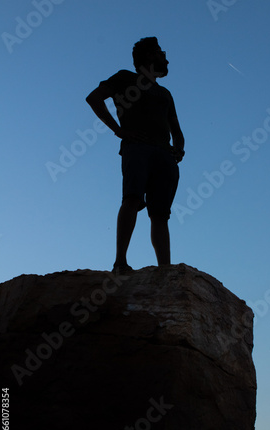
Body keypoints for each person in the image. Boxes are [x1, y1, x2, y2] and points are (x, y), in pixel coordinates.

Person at [86, 36, 185, 273]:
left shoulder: (165, 94)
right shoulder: (125, 78)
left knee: (160, 214)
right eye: (160, 52)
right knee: (131, 199)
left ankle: (164, 270)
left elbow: (177, 129)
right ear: (149, 56)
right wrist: (118, 130)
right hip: (137, 149)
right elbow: (94, 98)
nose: (166, 57)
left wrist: (179, 148)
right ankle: (120, 262)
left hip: (164, 155)